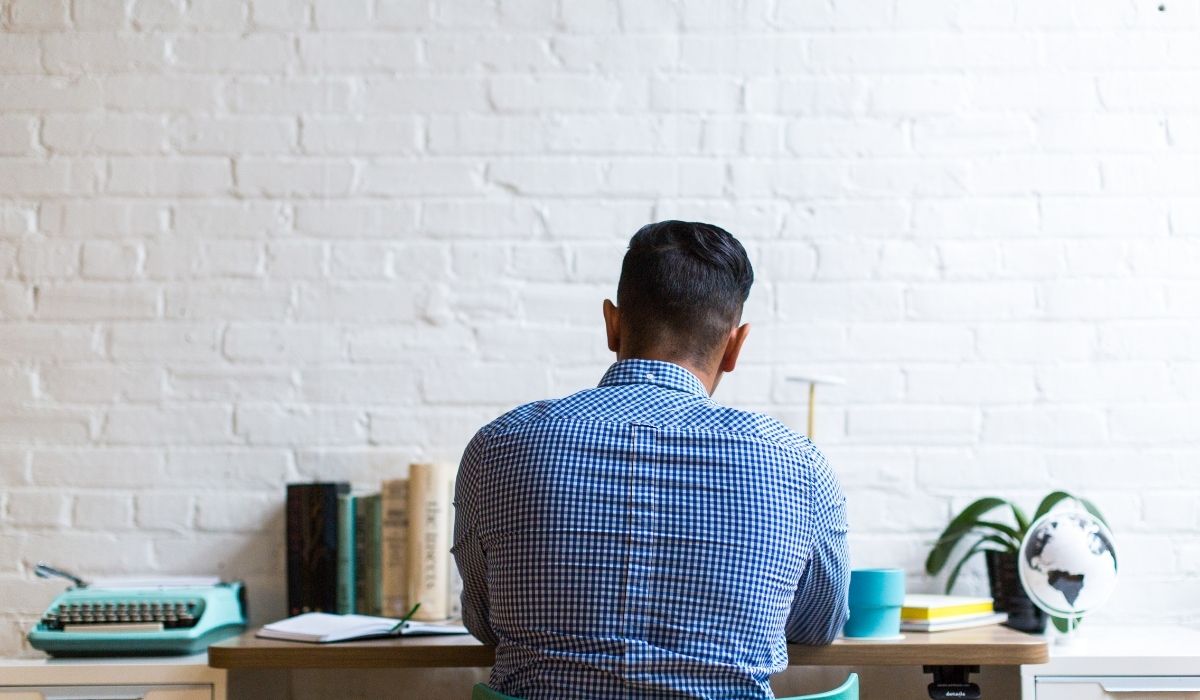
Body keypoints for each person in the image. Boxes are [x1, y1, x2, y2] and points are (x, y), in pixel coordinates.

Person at [452, 220, 849, 699]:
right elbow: (818, 624)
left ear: (612, 324)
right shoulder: (797, 464)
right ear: (734, 346)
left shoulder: (500, 446)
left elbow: (483, 619)